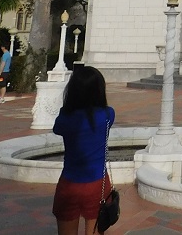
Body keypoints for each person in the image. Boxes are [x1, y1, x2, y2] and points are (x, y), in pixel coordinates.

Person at [52, 65, 115, 235]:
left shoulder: (65, 119)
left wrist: (67, 107)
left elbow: (57, 128)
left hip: (70, 183)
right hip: (97, 182)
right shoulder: (108, 114)